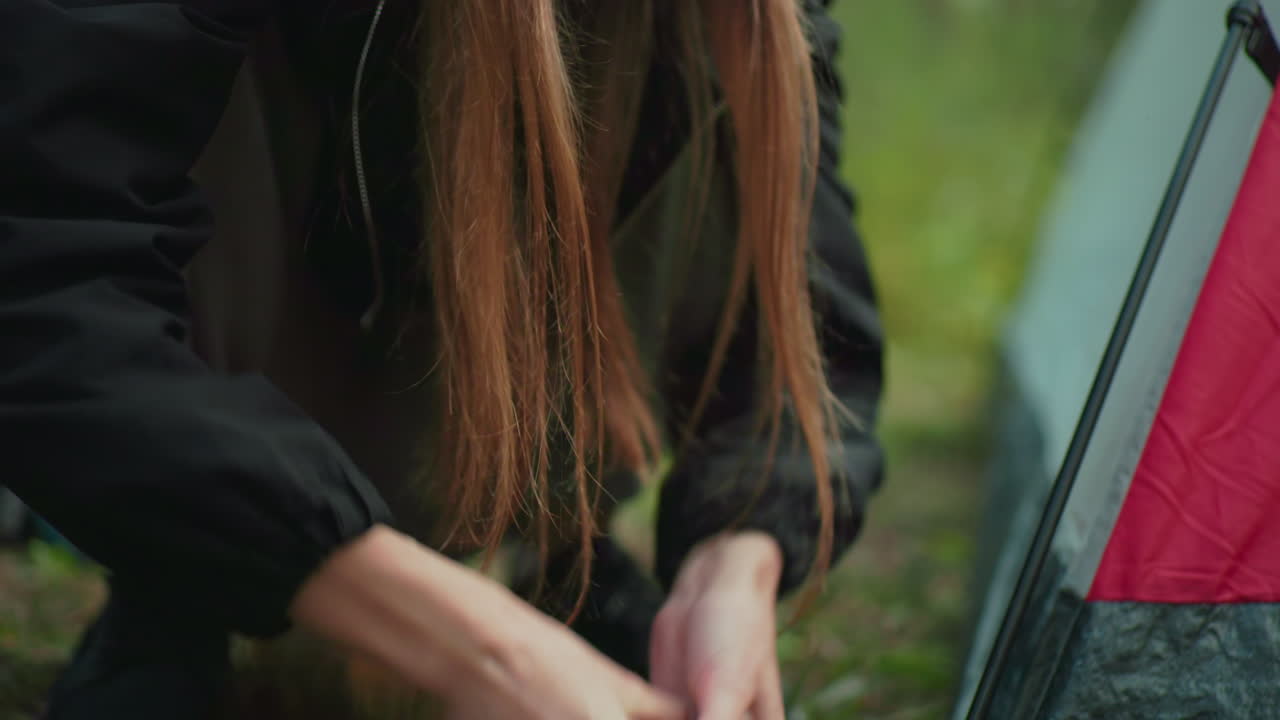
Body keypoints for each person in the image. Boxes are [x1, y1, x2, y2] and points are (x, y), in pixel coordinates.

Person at [0, 1, 885, 718]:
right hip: (255, 367)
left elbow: (816, 313)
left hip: (521, 444)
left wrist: (733, 566)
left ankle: (564, 550)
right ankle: (183, 577)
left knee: (731, 50)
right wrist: (485, 654)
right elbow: (45, 279)